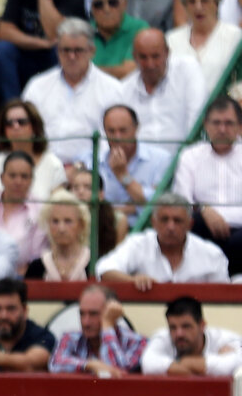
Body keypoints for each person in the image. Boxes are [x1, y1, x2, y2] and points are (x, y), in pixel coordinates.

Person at [21, 18, 126, 164]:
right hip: (42, 167)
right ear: (57, 51)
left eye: (78, 50)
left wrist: (81, 168)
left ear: (92, 51)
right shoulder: (37, 86)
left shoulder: (113, 89)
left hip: (91, 171)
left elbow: (111, 142)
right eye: (66, 50)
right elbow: (25, 134)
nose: (71, 56)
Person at [98, 192, 230, 288]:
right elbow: (104, 270)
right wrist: (133, 280)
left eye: (177, 221)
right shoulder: (138, 243)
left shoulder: (211, 254)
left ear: (189, 225)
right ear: (153, 222)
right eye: (164, 220)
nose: (170, 227)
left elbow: (224, 296)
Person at [172, 96, 242, 276]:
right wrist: (204, 209)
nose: (222, 129)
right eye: (216, 123)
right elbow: (181, 199)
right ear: (206, 124)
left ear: (239, 127)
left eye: (228, 123)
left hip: (240, 230)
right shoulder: (190, 155)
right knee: (191, 223)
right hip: (203, 226)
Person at [79, 104, 167, 229]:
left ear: (136, 128)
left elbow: (157, 205)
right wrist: (131, 207)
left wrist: (123, 176)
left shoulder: (160, 159)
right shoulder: (94, 160)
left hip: (145, 231)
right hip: (104, 232)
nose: (117, 137)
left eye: (123, 130)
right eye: (111, 131)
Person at [119, 30, 205, 154]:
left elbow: (196, 119)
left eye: (155, 56)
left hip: (185, 160)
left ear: (167, 53)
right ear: (134, 57)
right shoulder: (124, 89)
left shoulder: (188, 70)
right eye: (143, 57)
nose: (150, 64)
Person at [0, 0, 87, 102]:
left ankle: (58, 104)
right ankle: (14, 107)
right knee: (2, 49)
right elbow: (5, 31)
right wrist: (41, 43)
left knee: (62, 50)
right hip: (25, 53)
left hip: (54, 57)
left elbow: (57, 35)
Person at [49, 283, 145, 375]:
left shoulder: (137, 342)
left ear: (112, 313)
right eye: (82, 314)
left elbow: (115, 372)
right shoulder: (70, 338)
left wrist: (107, 325)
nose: (86, 322)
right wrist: (90, 365)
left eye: (93, 314)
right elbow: (55, 364)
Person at [0, 100, 68, 204]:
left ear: (34, 127)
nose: (15, 126)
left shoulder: (53, 164)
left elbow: (57, 210)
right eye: (9, 123)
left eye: (21, 122)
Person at [141, 294, 242, 376]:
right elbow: (148, 364)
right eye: (173, 327)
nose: (179, 334)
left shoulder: (226, 339)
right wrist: (204, 368)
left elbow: (236, 364)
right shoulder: (162, 337)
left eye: (186, 326)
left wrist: (178, 365)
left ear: (202, 325)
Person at [167, 0, 241, 95]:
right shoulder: (171, 40)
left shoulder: (236, 38)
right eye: (192, 2)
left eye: (204, 0)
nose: (198, 7)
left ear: (216, 3)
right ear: (185, 6)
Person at [0, 151, 47, 271]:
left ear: (32, 180)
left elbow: (36, 256)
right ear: (2, 178)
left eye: (24, 176)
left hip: (21, 276)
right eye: (12, 175)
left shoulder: (41, 209)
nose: (18, 182)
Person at [25, 189, 94, 279]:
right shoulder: (36, 268)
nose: (61, 228)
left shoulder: (94, 265)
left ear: (81, 225)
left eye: (68, 221)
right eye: (55, 221)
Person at [91, 0, 148, 79]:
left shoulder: (139, 29)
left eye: (113, 2)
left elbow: (128, 72)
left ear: (124, 4)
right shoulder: (83, 32)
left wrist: (87, 72)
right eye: (99, 4)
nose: (106, 9)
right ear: (93, 9)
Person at [69, 164, 121, 254]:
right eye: (75, 188)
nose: (80, 192)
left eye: (88, 187)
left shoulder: (118, 220)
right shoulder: (64, 218)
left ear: (101, 195)